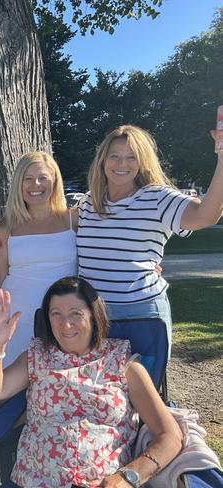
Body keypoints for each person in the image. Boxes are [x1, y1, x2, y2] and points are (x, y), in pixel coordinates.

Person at [0, 277, 182, 487]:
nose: (65, 324)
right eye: (55, 314)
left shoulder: (124, 363)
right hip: (36, 480)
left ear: (93, 316)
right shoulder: (36, 356)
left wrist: (128, 477)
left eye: (75, 314)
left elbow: (170, 435)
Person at [77, 125, 223, 346]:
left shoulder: (157, 198)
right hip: (91, 316)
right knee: (94, 381)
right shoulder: (88, 202)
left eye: (131, 157)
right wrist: (6, 233)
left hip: (140, 314)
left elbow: (206, 216)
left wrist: (222, 160)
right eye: (114, 156)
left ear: (142, 161)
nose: (122, 164)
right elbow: (53, 228)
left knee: (143, 381)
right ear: (102, 160)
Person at [0, 152, 77, 367]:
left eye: (43, 178)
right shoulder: (6, 226)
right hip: (18, 318)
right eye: (27, 178)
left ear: (54, 181)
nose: (35, 184)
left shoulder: (74, 219)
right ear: (19, 183)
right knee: (14, 386)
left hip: (64, 319)